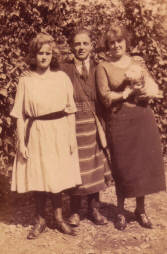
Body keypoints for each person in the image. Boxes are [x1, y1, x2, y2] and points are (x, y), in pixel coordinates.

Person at [10, 32, 82, 239]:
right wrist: (21, 142)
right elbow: (19, 115)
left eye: (47, 53)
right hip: (37, 132)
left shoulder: (62, 78)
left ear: (53, 55)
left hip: (59, 131)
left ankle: (59, 218)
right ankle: (40, 219)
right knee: (39, 174)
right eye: (40, 53)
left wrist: (71, 138)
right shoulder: (26, 80)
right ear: (34, 55)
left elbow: (70, 110)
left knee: (57, 176)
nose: (43, 57)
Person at [96, 25, 166, 230]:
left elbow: (150, 87)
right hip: (119, 121)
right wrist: (126, 92)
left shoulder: (137, 62)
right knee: (123, 167)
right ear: (107, 46)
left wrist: (145, 92)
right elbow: (105, 98)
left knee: (141, 165)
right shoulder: (103, 67)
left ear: (126, 42)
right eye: (112, 43)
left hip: (142, 117)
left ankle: (141, 210)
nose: (116, 45)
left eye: (120, 41)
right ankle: (119, 211)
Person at [61, 28, 111, 226]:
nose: (81, 47)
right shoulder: (64, 68)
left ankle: (94, 209)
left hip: (94, 121)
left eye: (85, 43)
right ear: (72, 46)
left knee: (94, 165)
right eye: (77, 44)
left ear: (91, 46)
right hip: (71, 121)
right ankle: (74, 211)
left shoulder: (100, 68)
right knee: (75, 166)